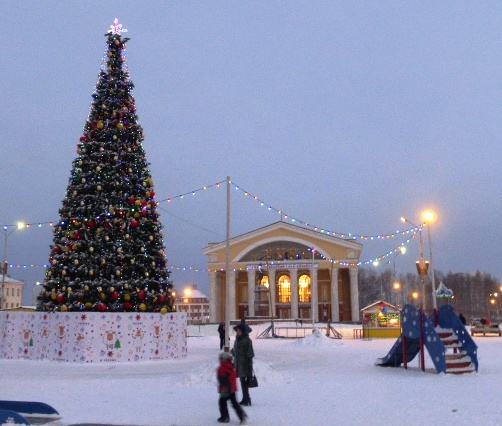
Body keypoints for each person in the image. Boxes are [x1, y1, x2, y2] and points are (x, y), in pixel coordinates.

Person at [216, 352, 247, 424]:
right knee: (234, 404)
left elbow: (222, 379)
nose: (220, 360)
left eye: (221, 359)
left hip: (225, 390)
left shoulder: (222, 368)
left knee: (222, 404)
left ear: (225, 360)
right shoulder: (231, 367)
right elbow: (233, 377)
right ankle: (242, 416)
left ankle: (225, 417)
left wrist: (224, 388)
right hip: (232, 389)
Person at [232, 323, 254, 406]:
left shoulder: (247, 340)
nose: (237, 332)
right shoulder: (237, 339)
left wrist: (250, 367)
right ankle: (245, 398)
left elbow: (250, 354)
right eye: (237, 330)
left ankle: (246, 398)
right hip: (239, 364)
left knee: (245, 382)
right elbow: (235, 350)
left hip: (245, 364)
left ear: (243, 331)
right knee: (242, 381)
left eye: (239, 330)